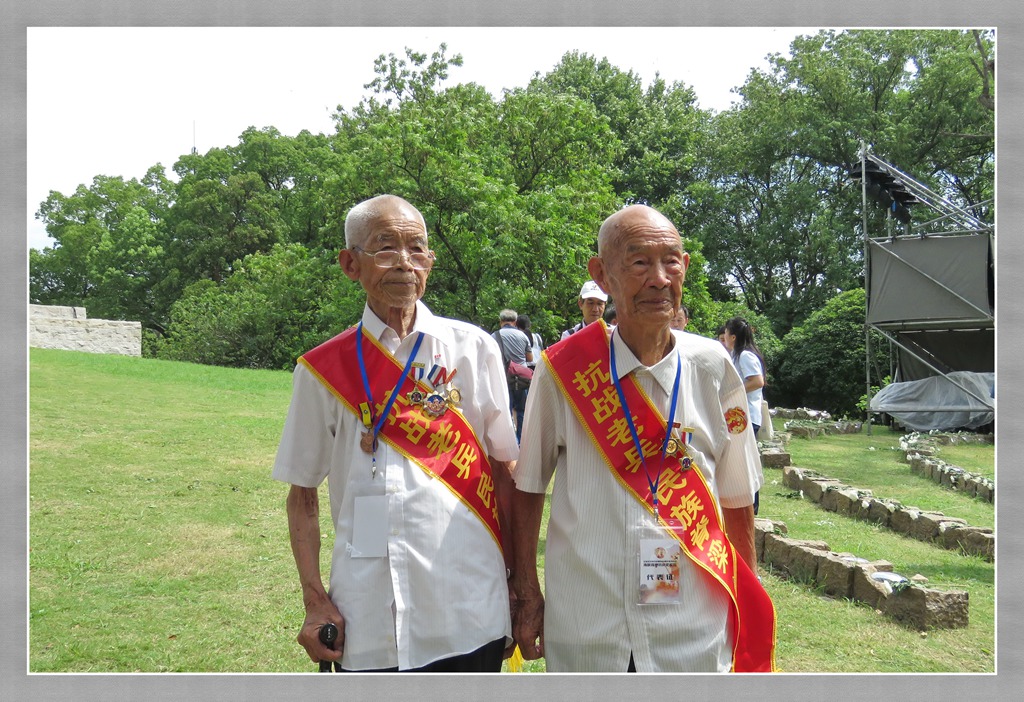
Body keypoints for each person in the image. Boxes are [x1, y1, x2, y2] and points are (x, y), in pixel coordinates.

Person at [511, 204, 776, 673]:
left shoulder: (714, 367)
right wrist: (528, 592)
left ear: (685, 268)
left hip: (692, 625)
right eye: (638, 262)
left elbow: (738, 498)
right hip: (589, 625)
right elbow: (529, 486)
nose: (658, 278)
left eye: (670, 261)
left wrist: (745, 597)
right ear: (602, 274)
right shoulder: (562, 369)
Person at [272, 195, 519, 672]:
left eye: (417, 249)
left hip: (469, 608)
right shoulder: (322, 369)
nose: (404, 263)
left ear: (430, 261)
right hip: (366, 616)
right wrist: (314, 600)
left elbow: (503, 470)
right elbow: (301, 493)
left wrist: (519, 582)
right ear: (350, 263)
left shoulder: (473, 349)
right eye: (385, 249)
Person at [721, 317, 767, 514]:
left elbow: (757, 381)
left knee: (746, 460)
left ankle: (752, 504)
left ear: (733, 336)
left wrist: (733, 390)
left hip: (748, 416)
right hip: (739, 417)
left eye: (726, 334)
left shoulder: (745, 356)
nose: (723, 338)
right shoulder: (736, 356)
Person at [493, 309, 533, 442]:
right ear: (515, 322)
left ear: (501, 322)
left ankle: (509, 442)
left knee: (506, 411)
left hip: (504, 378)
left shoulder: (495, 336)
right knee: (522, 411)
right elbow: (529, 357)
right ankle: (521, 441)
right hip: (522, 379)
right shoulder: (523, 336)